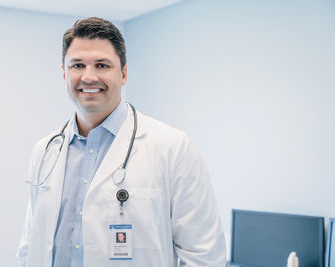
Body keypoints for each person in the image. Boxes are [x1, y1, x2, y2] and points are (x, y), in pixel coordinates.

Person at [17, 17, 226, 267]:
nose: (89, 76)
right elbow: (30, 247)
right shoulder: (45, 151)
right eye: (77, 65)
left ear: (124, 73)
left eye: (102, 65)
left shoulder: (172, 148)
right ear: (64, 73)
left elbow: (204, 257)